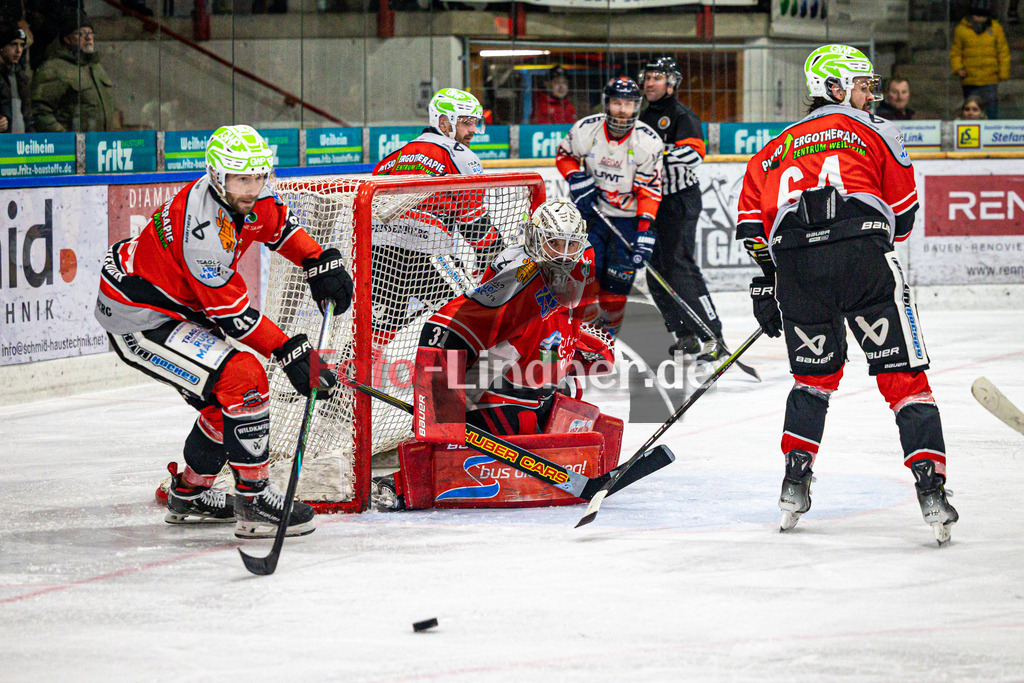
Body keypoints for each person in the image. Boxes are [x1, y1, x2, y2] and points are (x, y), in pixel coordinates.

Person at [735, 45, 958, 544]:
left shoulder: (771, 150)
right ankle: (931, 490)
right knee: (903, 378)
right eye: (860, 84)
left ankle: (794, 485)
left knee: (812, 381)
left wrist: (767, 284)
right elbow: (904, 217)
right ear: (832, 87)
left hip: (797, 269)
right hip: (861, 258)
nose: (868, 94)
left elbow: (752, 228)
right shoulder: (877, 130)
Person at [94, 125, 353, 539]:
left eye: (258, 176)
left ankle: (190, 494)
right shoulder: (201, 231)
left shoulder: (251, 197)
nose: (252, 188)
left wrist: (315, 259)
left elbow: (279, 227)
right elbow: (233, 317)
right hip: (141, 316)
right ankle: (254, 501)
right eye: (241, 179)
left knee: (226, 403)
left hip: (178, 305)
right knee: (243, 377)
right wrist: (289, 351)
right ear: (217, 176)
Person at [371, 199, 612, 510]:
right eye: (554, 244)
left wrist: (574, 344)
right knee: (482, 449)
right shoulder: (517, 279)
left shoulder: (581, 258)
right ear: (536, 239)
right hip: (499, 389)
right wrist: (444, 410)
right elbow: (444, 328)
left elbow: (555, 317)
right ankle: (405, 480)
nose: (564, 255)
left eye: (571, 245)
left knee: (577, 411)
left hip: (534, 378)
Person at [371, 88, 497, 339]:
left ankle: (357, 364)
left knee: (379, 332)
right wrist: (496, 255)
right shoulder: (460, 157)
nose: (473, 130)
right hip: (427, 256)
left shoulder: (391, 158)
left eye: (475, 122)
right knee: (471, 319)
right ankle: (448, 365)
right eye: (466, 122)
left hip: (380, 256)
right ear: (443, 122)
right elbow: (474, 225)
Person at [555, 76, 663, 337]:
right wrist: (575, 177)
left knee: (616, 289)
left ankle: (607, 341)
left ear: (637, 106)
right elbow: (565, 155)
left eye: (628, 104)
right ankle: (581, 339)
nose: (622, 110)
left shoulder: (648, 142)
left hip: (627, 221)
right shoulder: (586, 129)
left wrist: (644, 231)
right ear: (606, 103)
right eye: (617, 103)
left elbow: (649, 191)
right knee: (585, 280)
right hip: (591, 215)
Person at [637, 56, 727, 363]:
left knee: (679, 266)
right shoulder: (643, 117)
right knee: (655, 270)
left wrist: (655, 155)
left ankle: (713, 334)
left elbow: (694, 155)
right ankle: (684, 334)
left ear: (671, 83)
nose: (650, 83)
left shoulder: (682, 115)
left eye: (657, 77)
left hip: (679, 200)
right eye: (648, 77)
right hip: (653, 201)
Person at [31, 13, 119, 132]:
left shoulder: (97, 68)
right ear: (67, 39)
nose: (88, 38)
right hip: (73, 142)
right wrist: (65, 138)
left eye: (90, 33)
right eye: (81, 33)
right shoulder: (54, 68)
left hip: (101, 141)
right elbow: (39, 111)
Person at [950, 0, 1010, 120]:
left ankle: (991, 131)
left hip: (990, 78)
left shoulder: (996, 28)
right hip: (970, 79)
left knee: (991, 111)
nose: (980, 18)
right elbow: (955, 52)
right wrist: (958, 68)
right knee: (971, 111)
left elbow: (1003, 52)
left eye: (983, 15)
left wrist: (1003, 72)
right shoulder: (961, 30)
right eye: (977, 14)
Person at [0, 24, 32, 133]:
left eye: (22, 45)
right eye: (13, 44)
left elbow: (27, 117)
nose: (19, 50)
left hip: (19, 141)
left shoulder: (21, 78)